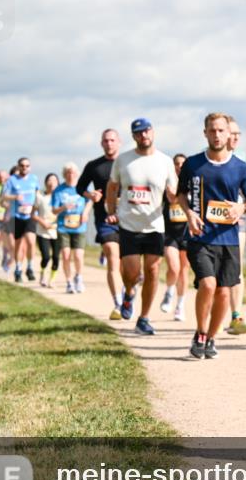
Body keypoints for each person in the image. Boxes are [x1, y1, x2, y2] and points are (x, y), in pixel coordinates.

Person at [177, 112, 246, 359]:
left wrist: (241, 208)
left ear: (228, 133)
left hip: (229, 239)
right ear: (205, 133)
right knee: (208, 284)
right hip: (200, 237)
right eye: (212, 130)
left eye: (221, 130)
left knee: (224, 292)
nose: (216, 134)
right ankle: (200, 333)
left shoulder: (240, 167)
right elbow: (180, 195)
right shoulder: (193, 164)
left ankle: (211, 338)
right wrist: (189, 213)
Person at [105, 118, 177, 335]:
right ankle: (129, 293)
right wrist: (111, 212)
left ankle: (144, 318)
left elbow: (172, 193)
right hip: (129, 224)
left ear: (152, 132)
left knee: (153, 271)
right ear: (133, 136)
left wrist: (175, 197)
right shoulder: (124, 160)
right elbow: (112, 185)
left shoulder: (165, 161)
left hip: (155, 226)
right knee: (132, 272)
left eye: (146, 131)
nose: (143, 136)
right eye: (138, 133)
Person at [79, 129, 125, 319]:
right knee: (112, 257)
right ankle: (118, 303)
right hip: (104, 219)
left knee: (129, 266)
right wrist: (91, 195)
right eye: (106, 141)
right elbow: (80, 187)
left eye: (112, 140)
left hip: (128, 219)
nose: (109, 143)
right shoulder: (94, 166)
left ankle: (127, 294)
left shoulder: (127, 163)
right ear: (101, 143)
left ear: (119, 142)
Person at [224, 116, 246, 335]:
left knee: (236, 268)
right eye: (232, 133)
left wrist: (242, 207)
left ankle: (236, 315)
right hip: (211, 227)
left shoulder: (242, 161)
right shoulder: (207, 160)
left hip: (237, 223)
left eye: (238, 134)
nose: (235, 137)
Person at [159, 154, 191, 322]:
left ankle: (180, 305)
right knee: (173, 267)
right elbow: (170, 198)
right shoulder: (167, 183)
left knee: (184, 270)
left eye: (182, 164)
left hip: (187, 233)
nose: (179, 166)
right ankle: (169, 291)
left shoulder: (193, 183)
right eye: (176, 164)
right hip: (170, 232)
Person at [53, 163, 92, 294]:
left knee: (78, 256)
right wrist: (64, 207)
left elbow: (90, 200)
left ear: (77, 174)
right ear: (64, 175)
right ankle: (69, 282)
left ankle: (78, 278)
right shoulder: (59, 190)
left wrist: (85, 212)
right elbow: (54, 210)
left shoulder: (82, 188)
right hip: (63, 227)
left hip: (79, 226)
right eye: (68, 172)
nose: (71, 175)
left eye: (73, 172)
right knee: (65, 255)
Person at [1, 158, 40, 283]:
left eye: (27, 166)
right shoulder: (12, 180)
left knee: (31, 241)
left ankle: (29, 268)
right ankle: (18, 270)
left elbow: (37, 194)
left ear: (30, 167)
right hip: (17, 216)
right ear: (18, 167)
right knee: (18, 244)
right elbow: (3, 196)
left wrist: (37, 206)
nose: (25, 168)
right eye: (22, 166)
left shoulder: (34, 179)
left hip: (30, 216)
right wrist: (15, 196)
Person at [32, 173, 61, 288]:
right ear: (45, 183)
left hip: (57, 231)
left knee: (56, 257)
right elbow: (32, 213)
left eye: (54, 180)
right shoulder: (40, 197)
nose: (52, 182)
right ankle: (43, 273)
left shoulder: (60, 197)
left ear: (58, 183)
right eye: (50, 180)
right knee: (46, 256)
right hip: (42, 231)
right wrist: (42, 221)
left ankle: (52, 280)